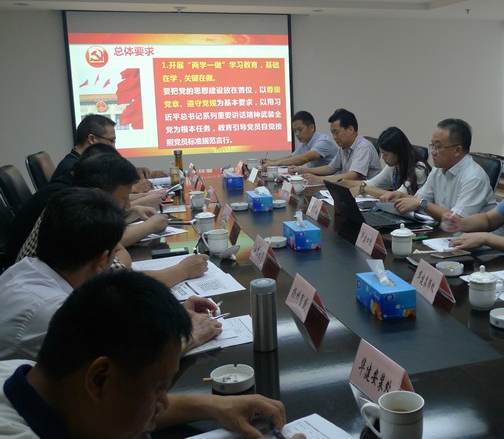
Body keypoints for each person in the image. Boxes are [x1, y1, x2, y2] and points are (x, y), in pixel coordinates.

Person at [0, 271, 303, 439]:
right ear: (100, 379)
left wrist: (214, 405)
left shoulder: (32, 376)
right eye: (159, 389)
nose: (165, 402)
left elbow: (125, 409)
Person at [0, 188, 221, 361]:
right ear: (101, 261)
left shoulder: (27, 269)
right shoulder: (52, 311)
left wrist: (173, 317)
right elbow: (130, 369)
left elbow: (115, 329)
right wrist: (189, 335)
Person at [11, 151, 207, 288]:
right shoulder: (79, 219)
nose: (128, 205)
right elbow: (125, 286)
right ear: (99, 194)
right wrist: (183, 270)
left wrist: (117, 262)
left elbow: (118, 256)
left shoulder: (71, 203)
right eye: (124, 197)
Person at [381, 118, 496, 221]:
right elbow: (420, 199)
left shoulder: (474, 177)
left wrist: (422, 204)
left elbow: (458, 219)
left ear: (457, 150)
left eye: (438, 147)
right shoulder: (438, 169)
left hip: (476, 235)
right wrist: (401, 196)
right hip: (446, 231)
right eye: (432, 145)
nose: (433, 152)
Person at [51, 114, 165, 189]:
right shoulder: (72, 168)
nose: (113, 147)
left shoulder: (86, 163)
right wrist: (133, 188)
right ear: (92, 139)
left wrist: (138, 175)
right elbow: (100, 199)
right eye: (111, 141)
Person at [289, 108, 381, 183]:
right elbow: (330, 168)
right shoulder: (344, 147)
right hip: (352, 191)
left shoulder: (363, 147)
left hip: (368, 196)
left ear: (350, 129)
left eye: (336, 132)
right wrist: (303, 170)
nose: (334, 137)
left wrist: (319, 179)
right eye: (332, 133)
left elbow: (352, 176)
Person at [341, 126, 431, 197]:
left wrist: (364, 189)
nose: (382, 158)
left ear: (398, 152)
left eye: (386, 154)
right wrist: (342, 183)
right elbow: (372, 184)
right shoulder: (393, 167)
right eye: (382, 153)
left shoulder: (419, 169)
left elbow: (397, 196)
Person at [262, 110, 338, 168]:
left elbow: (305, 158)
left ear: (311, 128)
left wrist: (275, 163)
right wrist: (272, 161)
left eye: (300, 129)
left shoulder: (323, 141)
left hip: (333, 180)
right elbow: (292, 157)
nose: (297, 134)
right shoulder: (305, 144)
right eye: (295, 130)